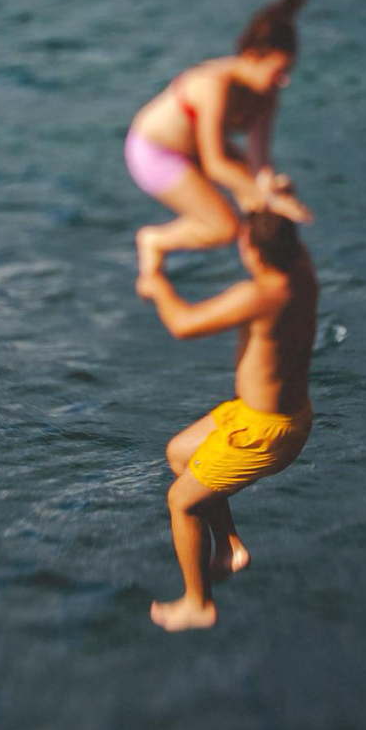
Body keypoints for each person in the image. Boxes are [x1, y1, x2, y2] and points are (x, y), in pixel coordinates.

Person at [136, 209, 319, 632]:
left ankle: (198, 604)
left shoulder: (258, 296)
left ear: (254, 253)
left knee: (181, 502)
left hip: (264, 433)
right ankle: (229, 548)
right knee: (180, 453)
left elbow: (183, 325)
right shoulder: (303, 276)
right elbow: (287, 237)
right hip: (260, 414)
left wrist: (159, 285)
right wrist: (279, 200)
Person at [126, 0, 316, 276]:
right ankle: (154, 240)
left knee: (262, 204)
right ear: (253, 57)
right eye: (278, 70)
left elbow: (259, 161)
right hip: (155, 151)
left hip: (198, 146)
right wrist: (265, 195)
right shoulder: (212, 85)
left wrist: (269, 189)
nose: (284, 80)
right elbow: (215, 165)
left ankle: (273, 277)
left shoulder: (267, 93)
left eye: (288, 71)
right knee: (223, 228)